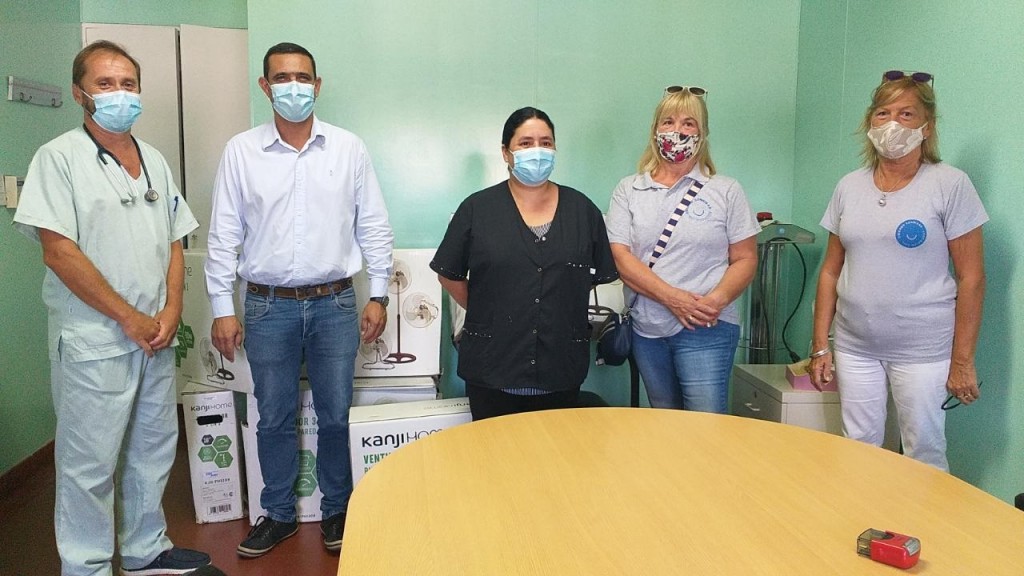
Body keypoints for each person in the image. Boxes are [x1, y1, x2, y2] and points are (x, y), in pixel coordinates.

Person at [12, 41, 211, 576]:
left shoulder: (154, 160)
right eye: (105, 84)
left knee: (152, 448)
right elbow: (59, 251)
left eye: (128, 84)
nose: (119, 94)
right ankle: (87, 566)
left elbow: (175, 239)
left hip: (155, 337)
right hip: (96, 341)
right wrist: (128, 316)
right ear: (80, 93)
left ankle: (147, 550)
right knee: (89, 464)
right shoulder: (58, 158)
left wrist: (172, 309)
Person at [205, 42, 393, 557]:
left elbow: (374, 225)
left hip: (335, 304)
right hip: (267, 307)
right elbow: (223, 235)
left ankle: (337, 510)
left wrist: (379, 294)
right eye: (282, 78)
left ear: (318, 84)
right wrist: (222, 307)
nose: (294, 87)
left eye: (303, 77)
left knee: (334, 415)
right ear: (265, 87)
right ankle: (279, 514)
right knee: (273, 416)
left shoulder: (348, 148)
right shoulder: (241, 151)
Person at [809, 70, 987, 471]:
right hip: (855, 346)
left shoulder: (949, 185)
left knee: (923, 451)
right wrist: (821, 345)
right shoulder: (849, 186)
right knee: (857, 448)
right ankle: (863, 511)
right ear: (869, 122)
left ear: (927, 127)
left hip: (922, 349)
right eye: (883, 113)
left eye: (906, 114)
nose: (893, 124)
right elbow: (830, 271)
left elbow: (972, 278)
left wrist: (962, 360)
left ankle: (924, 514)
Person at [431, 107, 618, 421]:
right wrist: (487, 311)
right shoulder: (477, 209)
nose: (537, 151)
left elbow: (593, 277)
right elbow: (449, 274)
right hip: (492, 367)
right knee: (494, 450)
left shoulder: (582, 211)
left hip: (560, 366)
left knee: (555, 450)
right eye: (526, 143)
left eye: (546, 142)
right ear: (506, 152)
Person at [605, 86, 760, 413]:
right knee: (665, 421)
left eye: (689, 123)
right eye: (669, 121)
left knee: (705, 422)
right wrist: (673, 299)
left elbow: (745, 258)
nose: (678, 131)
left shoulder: (726, 190)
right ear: (655, 130)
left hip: (706, 326)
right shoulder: (629, 189)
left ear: (702, 134)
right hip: (648, 330)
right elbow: (620, 257)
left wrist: (715, 302)